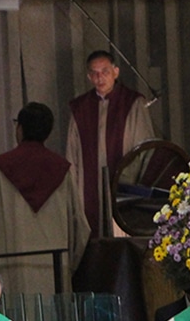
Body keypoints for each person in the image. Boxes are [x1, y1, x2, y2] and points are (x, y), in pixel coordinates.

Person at [0, 102, 90, 295]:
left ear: (20, 128)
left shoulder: (0, 169)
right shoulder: (62, 171)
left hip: (10, 268)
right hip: (54, 270)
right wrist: (69, 264)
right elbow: (80, 229)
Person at [66, 50, 155, 236]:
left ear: (116, 71)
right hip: (89, 191)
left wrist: (132, 183)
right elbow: (72, 153)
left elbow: (145, 148)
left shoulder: (133, 103)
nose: (100, 78)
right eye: (95, 73)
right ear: (89, 77)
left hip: (124, 189)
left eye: (105, 71)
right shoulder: (80, 108)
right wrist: (73, 193)